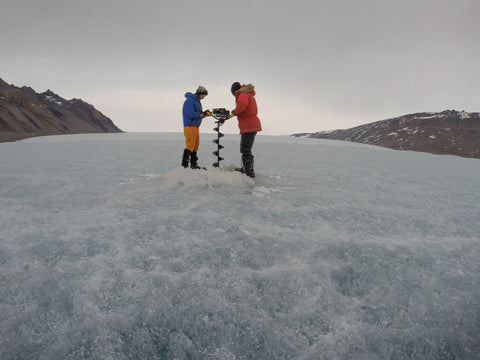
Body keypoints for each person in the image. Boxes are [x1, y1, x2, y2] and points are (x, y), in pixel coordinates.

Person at [230, 82, 262, 178]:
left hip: (249, 126)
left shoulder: (243, 95)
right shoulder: (247, 94)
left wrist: (235, 112)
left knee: (245, 149)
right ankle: (246, 168)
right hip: (250, 125)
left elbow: (242, 106)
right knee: (246, 148)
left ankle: (248, 172)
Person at [181, 86, 211, 169]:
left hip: (196, 126)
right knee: (190, 146)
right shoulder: (189, 101)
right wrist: (202, 114)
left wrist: (204, 114)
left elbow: (198, 113)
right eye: (204, 95)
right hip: (190, 126)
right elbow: (190, 113)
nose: (204, 97)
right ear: (200, 93)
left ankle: (193, 165)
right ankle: (184, 166)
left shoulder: (197, 101)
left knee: (195, 146)